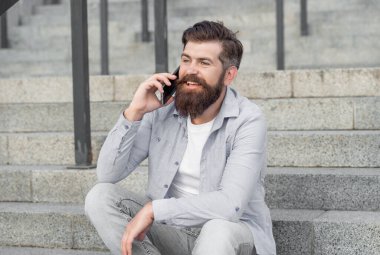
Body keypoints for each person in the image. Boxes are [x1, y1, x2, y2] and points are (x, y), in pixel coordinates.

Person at [85, 20, 276, 255]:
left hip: (231, 236)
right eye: (186, 60)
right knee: (100, 197)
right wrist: (134, 112)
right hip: (172, 232)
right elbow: (107, 174)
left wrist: (155, 210)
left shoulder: (248, 120)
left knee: (218, 230)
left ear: (229, 75)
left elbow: (229, 206)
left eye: (204, 63)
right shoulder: (162, 111)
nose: (190, 71)